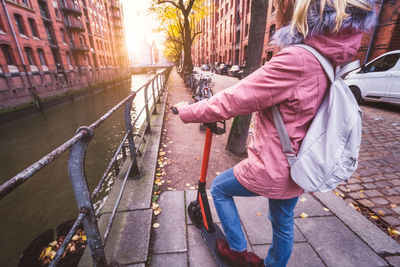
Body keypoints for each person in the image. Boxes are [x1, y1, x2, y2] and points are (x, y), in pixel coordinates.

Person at [174, 0, 376, 266]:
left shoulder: (297, 59)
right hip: (299, 163)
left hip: (274, 165)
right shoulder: (330, 59)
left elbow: (235, 99)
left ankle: (237, 251)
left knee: (220, 189)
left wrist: (189, 111)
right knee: (282, 221)